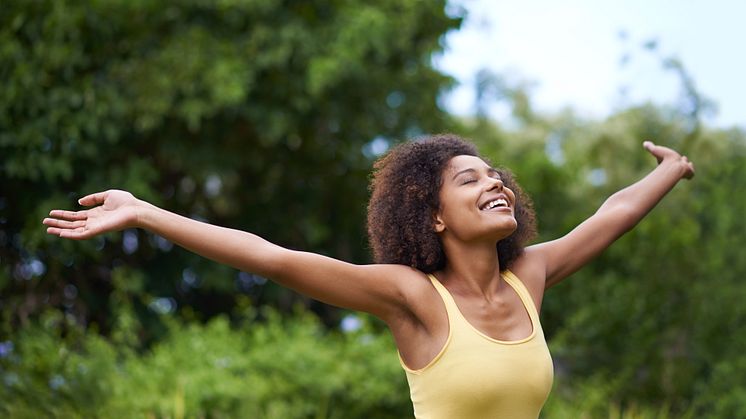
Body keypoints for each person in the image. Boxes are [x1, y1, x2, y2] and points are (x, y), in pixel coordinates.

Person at [43, 134, 694, 418]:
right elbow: (273, 257)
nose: (494, 182)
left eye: (496, 175)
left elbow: (614, 214)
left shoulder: (531, 273)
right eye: (469, 179)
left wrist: (671, 167)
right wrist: (148, 213)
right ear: (432, 216)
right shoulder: (414, 296)